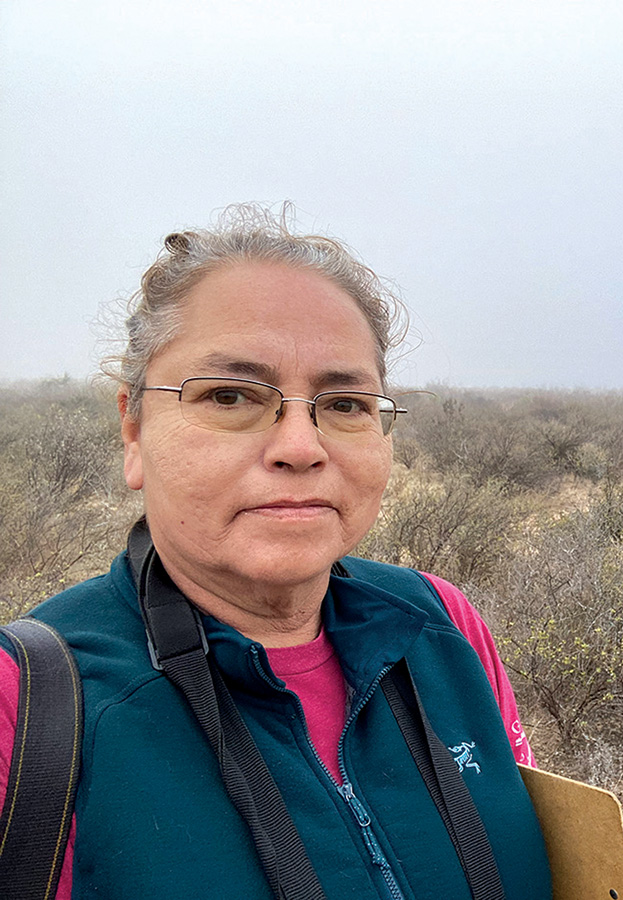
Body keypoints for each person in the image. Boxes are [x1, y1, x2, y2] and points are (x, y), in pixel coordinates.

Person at [0, 205, 552, 899]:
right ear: (134, 431)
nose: (300, 447)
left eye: (345, 403)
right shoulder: (27, 702)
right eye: (231, 395)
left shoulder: (441, 625)